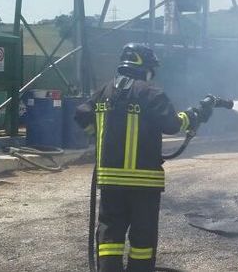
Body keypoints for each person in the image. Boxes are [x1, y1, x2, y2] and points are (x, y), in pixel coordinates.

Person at [76, 43, 213, 272]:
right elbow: (172, 124)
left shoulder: (104, 91)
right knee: (143, 238)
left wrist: (98, 132)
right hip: (144, 183)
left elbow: (80, 114)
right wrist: (194, 114)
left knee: (110, 234)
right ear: (144, 67)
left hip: (110, 181)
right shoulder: (150, 93)